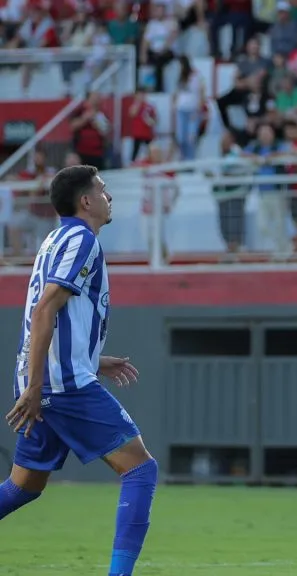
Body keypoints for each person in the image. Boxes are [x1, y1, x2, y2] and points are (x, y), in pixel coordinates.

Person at [1, 165, 157, 576]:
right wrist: (37, 386)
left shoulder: (54, 239)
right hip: (58, 382)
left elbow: (57, 315)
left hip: (51, 375)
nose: (110, 198)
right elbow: (44, 309)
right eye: (104, 191)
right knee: (140, 469)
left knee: (23, 487)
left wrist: (93, 360)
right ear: (85, 201)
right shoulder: (82, 240)